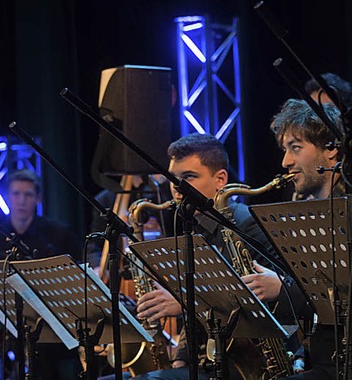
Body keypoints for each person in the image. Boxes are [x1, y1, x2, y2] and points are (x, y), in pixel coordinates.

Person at [101, 133, 296, 380]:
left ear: (220, 179)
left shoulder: (247, 225)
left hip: (250, 364)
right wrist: (181, 357)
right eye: (173, 179)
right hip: (211, 360)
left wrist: (186, 301)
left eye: (188, 178)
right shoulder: (191, 226)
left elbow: (272, 304)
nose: (177, 189)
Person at [270, 98, 347, 380]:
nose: (285, 161)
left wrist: (282, 289)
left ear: (331, 148)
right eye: (284, 149)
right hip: (321, 358)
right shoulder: (304, 214)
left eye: (296, 148)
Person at [0, 168, 82, 380]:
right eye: (16, 194)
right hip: (13, 328)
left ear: (37, 198)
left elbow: (81, 269)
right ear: (8, 197)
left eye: (28, 195)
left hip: (56, 330)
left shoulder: (58, 233)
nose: (21, 200)